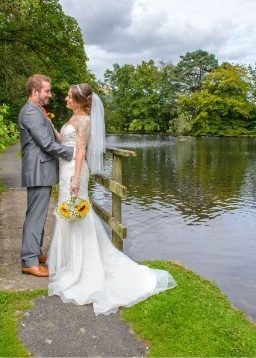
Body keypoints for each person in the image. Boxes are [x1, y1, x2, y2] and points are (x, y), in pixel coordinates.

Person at [47, 83, 177, 315]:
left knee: (77, 216)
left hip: (74, 172)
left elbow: (80, 152)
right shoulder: (74, 117)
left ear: (78, 101)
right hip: (66, 169)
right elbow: (65, 141)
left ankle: (83, 268)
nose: (65, 99)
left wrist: (76, 179)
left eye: (68, 96)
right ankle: (71, 263)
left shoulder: (85, 121)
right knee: (69, 215)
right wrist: (51, 128)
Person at [19, 74, 75, 277]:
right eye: (47, 91)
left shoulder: (36, 110)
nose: (50, 95)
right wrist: (72, 153)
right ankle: (29, 261)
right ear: (35, 92)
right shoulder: (31, 113)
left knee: (38, 214)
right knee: (35, 216)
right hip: (38, 170)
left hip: (40, 169)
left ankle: (34, 252)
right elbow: (46, 144)